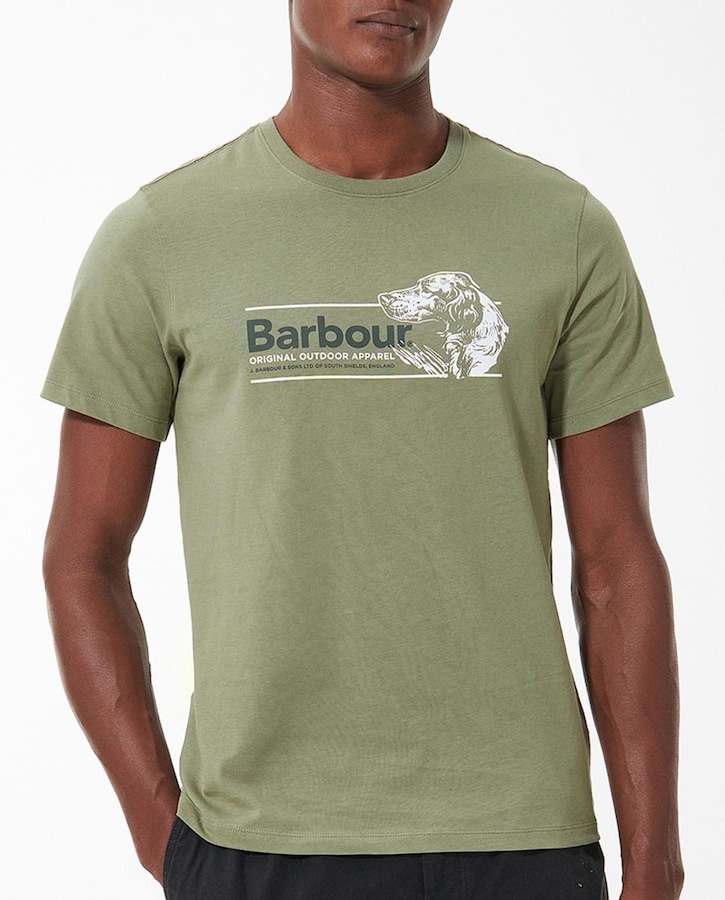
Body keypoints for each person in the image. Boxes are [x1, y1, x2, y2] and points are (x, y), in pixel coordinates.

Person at [41, 2, 684, 898]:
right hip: (257, 838)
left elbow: (615, 561)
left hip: (518, 835)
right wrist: (165, 836)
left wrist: (654, 861)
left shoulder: (562, 228)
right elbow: (83, 556)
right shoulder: (161, 236)